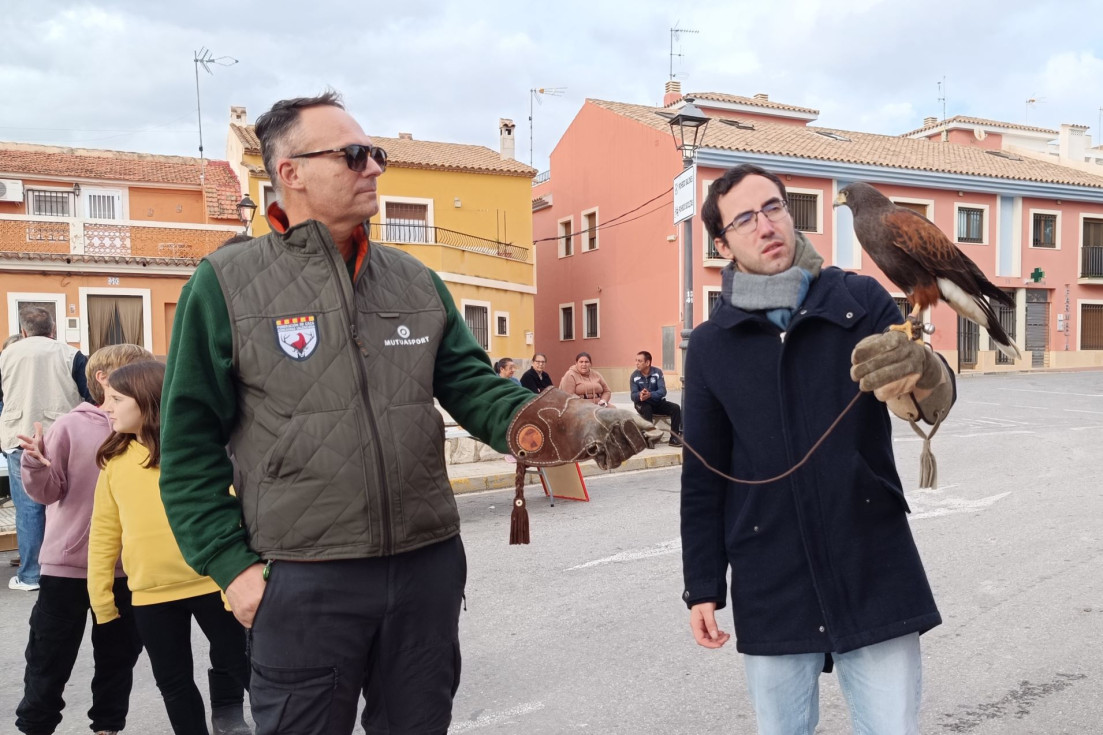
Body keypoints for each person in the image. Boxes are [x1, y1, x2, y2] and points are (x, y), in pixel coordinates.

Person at [158, 91, 651, 735]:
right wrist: (233, 567)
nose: (373, 167)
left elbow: (475, 387)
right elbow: (187, 445)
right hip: (302, 577)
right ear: (290, 172)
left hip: (425, 568)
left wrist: (568, 420)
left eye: (376, 154)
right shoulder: (224, 284)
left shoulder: (414, 281)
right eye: (353, 155)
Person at [681, 164, 955, 735]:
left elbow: (928, 401)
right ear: (722, 244)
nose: (766, 226)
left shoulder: (860, 299)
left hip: (871, 560)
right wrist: (702, 585)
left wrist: (924, 373)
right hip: (769, 575)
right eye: (744, 219)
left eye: (774, 208)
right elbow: (703, 476)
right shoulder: (710, 346)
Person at [88, 361, 251, 735]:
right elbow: (103, 536)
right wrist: (101, 599)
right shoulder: (114, 463)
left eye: (116, 399)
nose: (106, 407)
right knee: (174, 686)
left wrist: (235, 578)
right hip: (150, 596)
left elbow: (232, 514)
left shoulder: (197, 453)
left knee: (247, 670)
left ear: (148, 401)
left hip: (214, 585)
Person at [14, 344, 152, 735]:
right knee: (48, 658)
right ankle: (35, 727)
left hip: (126, 569)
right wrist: (34, 464)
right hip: (68, 567)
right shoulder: (69, 426)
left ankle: (108, 727)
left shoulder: (150, 425)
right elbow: (48, 492)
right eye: (135, 370)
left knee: (118, 658)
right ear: (103, 379)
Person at [0, 306, 93, 591]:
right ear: (53, 329)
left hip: (20, 436)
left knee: (28, 508)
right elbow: (91, 395)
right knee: (67, 503)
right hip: (63, 436)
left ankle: (31, 575)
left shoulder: (6, 355)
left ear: (23, 331)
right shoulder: (71, 354)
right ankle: (68, 567)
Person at [629, 351, 683, 447]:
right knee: (647, 408)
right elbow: (633, 395)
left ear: (647, 362)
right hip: (642, 404)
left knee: (675, 408)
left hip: (657, 402)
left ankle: (674, 439)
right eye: (636, 360)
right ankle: (648, 438)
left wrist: (650, 395)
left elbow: (663, 391)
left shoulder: (657, 372)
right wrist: (640, 394)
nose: (636, 363)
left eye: (639, 361)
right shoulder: (634, 376)